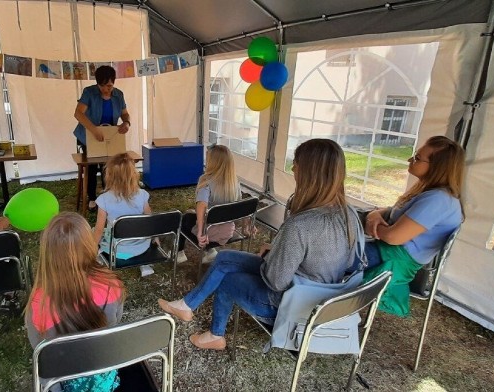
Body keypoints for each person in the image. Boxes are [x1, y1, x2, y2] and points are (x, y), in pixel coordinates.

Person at [158, 139, 361, 351]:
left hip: (292, 303)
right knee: (224, 257)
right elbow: (338, 260)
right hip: (320, 294)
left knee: (227, 280)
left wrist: (270, 257)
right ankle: (186, 305)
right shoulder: (350, 214)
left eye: (297, 164)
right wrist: (278, 252)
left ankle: (215, 335)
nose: (292, 168)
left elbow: (275, 281)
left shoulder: (300, 225)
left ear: (311, 173)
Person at [360, 135, 465, 317]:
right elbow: (391, 211)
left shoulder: (438, 200)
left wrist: (374, 226)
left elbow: (393, 238)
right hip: (386, 251)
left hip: (391, 259)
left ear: (436, 167)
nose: (410, 160)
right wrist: (375, 216)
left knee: (324, 253)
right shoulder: (429, 192)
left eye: (417, 158)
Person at [25, 212, 125, 392]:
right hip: (103, 374)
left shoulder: (37, 304)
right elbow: (114, 324)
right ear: (88, 244)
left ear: (47, 252)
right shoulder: (112, 285)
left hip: (61, 382)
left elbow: (39, 351)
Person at [73, 65, 132, 210]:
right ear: (98, 83)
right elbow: (78, 114)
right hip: (89, 135)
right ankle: (92, 198)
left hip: (110, 136)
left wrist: (127, 122)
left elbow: (125, 114)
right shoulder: (89, 92)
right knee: (92, 167)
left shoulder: (119, 94)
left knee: (110, 166)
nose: (107, 89)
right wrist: (93, 130)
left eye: (110, 85)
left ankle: (109, 195)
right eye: (103, 86)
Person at [176, 144, 242, 264]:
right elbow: (240, 207)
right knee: (196, 215)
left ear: (213, 162)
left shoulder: (206, 180)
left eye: (208, 159)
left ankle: (179, 253)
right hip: (228, 232)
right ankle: (210, 252)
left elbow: (201, 206)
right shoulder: (235, 182)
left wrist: (201, 233)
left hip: (208, 235)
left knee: (184, 218)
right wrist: (249, 226)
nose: (206, 161)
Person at [92, 153, 154, 277]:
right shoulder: (142, 195)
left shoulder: (104, 199)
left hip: (117, 251)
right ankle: (145, 264)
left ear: (109, 176)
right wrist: (155, 238)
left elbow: (99, 231)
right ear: (134, 175)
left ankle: (99, 258)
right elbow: (150, 221)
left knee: (93, 230)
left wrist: (91, 250)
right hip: (141, 248)